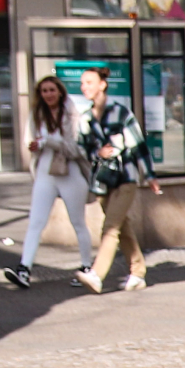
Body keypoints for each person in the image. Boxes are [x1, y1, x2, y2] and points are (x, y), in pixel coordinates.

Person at [73, 67, 162, 294]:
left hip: (126, 177)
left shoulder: (121, 114)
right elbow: (82, 148)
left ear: (102, 84)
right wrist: (97, 153)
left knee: (110, 226)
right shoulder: (85, 118)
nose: (85, 88)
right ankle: (138, 271)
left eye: (89, 82)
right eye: (83, 84)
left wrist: (150, 175)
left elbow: (139, 146)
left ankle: (97, 274)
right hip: (103, 180)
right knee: (122, 226)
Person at [3, 75, 92, 289]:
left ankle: (87, 267)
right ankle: (24, 269)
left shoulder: (72, 113)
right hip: (45, 172)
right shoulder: (37, 115)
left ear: (60, 91)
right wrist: (35, 145)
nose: (48, 94)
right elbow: (28, 141)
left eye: (52, 90)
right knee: (36, 222)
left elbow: (76, 148)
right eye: (44, 91)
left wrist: (49, 142)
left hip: (69, 171)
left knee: (78, 222)